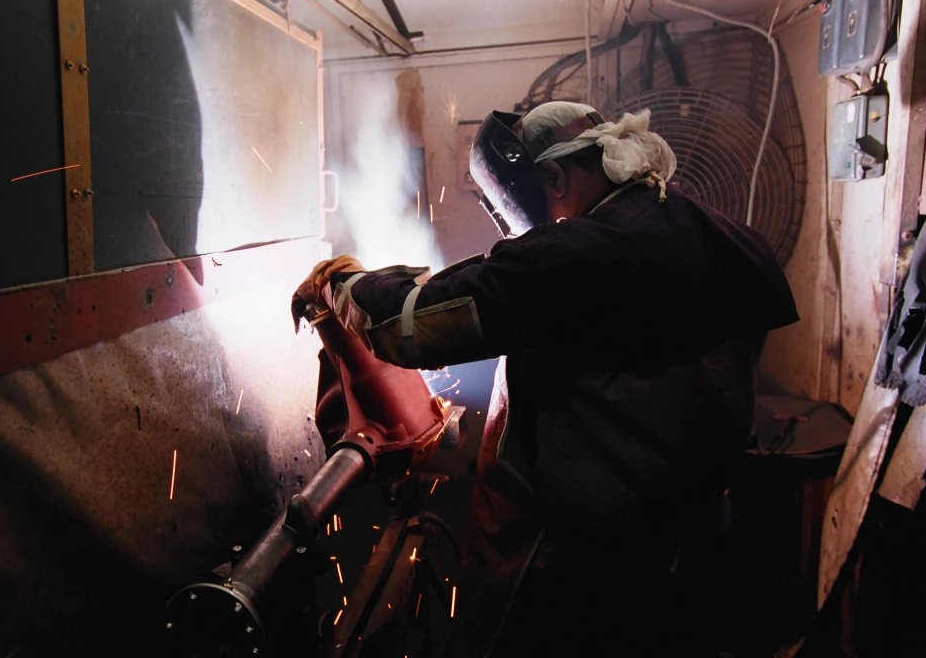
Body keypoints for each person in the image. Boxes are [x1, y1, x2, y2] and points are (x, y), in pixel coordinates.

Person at [292, 101, 799, 657]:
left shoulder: (576, 252)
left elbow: (409, 326)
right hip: (704, 549)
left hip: (600, 584)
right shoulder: (723, 234)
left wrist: (350, 284)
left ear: (554, 176)